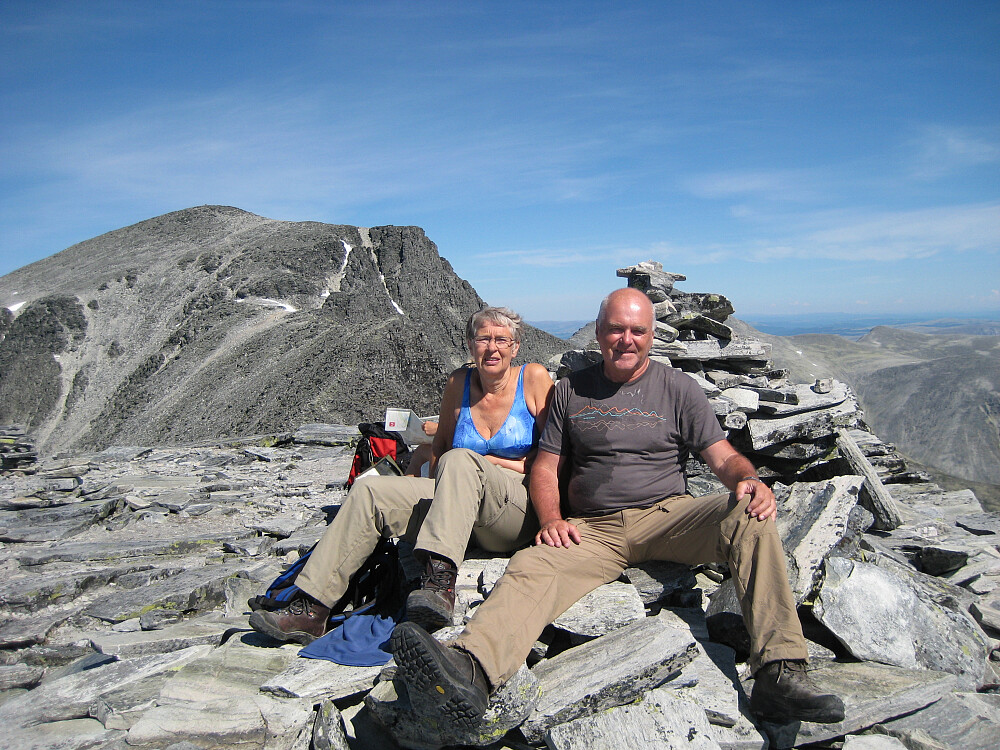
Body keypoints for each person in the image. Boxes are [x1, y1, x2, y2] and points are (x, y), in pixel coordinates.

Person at [390, 287, 846, 728]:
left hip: (668, 517)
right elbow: (546, 468)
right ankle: (472, 669)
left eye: (637, 331)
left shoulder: (678, 389)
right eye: (614, 329)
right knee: (533, 564)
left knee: (751, 514)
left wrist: (748, 479)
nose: (625, 340)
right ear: (599, 333)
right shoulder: (569, 391)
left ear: (650, 335)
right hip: (591, 528)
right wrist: (550, 520)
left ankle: (780, 674)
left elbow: (721, 456)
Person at [249, 306, 554, 644]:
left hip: (512, 510)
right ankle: (311, 608)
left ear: (515, 347)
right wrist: (435, 484)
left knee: (463, 461)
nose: (492, 347)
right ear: (470, 344)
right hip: (459, 498)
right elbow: (440, 446)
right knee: (371, 493)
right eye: (483, 338)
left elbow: (554, 455)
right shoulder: (459, 382)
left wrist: (489, 466)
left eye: (501, 340)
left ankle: (438, 587)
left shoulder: (534, 378)